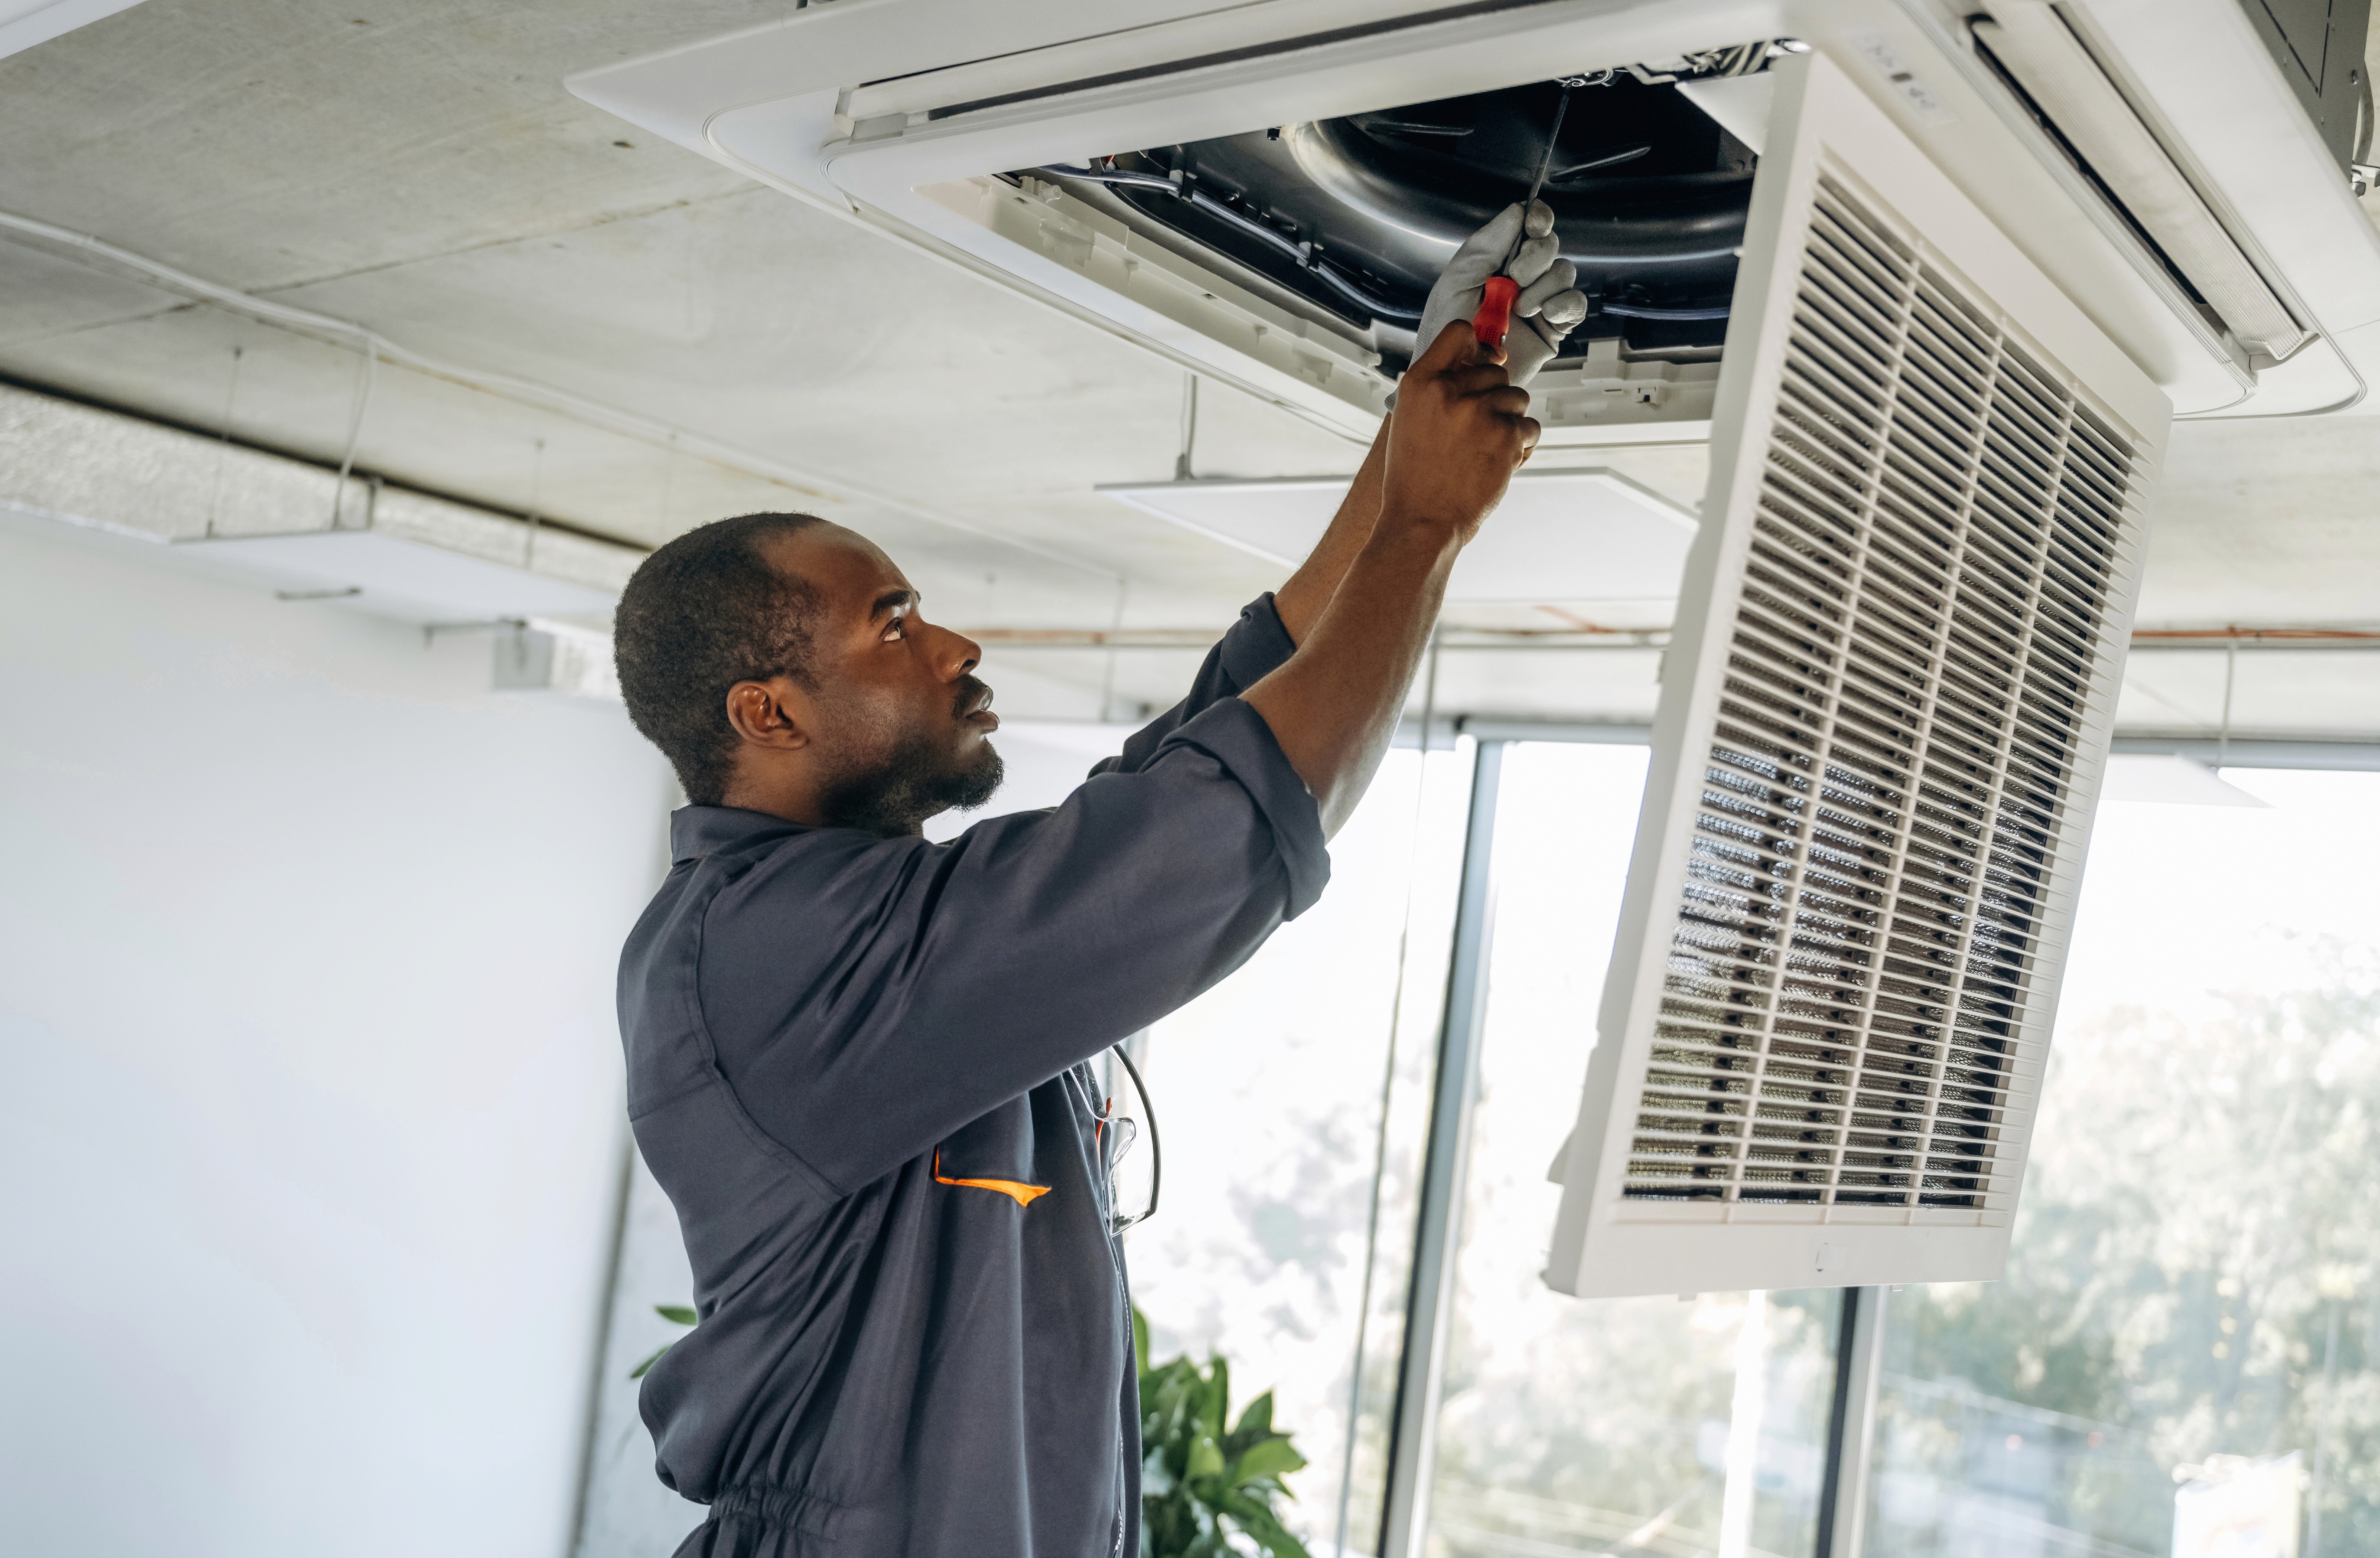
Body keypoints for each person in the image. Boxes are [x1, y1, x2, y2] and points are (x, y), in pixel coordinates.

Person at [609, 204, 1586, 1558]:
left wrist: (1422, 417)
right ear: (768, 713)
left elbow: (1206, 747)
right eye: (892, 624)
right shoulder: (763, 952)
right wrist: (1420, 528)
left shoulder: (862, 926)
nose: (952, 641)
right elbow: (1213, 828)